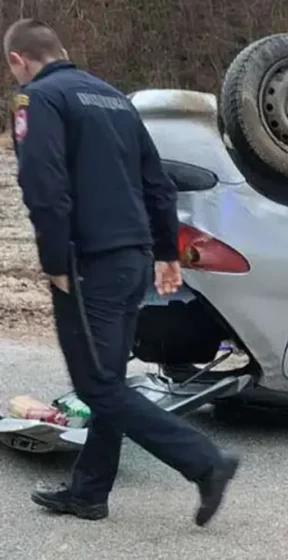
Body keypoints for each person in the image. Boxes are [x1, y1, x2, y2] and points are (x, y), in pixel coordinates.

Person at [3, 18, 240, 526]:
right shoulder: (114, 99)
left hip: (88, 263)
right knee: (107, 379)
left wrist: (54, 261)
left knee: (98, 386)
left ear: (18, 61)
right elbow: (157, 183)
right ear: (60, 49)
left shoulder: (38, 100)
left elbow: (43, 184)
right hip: (131, 259)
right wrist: (165, 252)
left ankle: (206, 463)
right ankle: (89, 491)